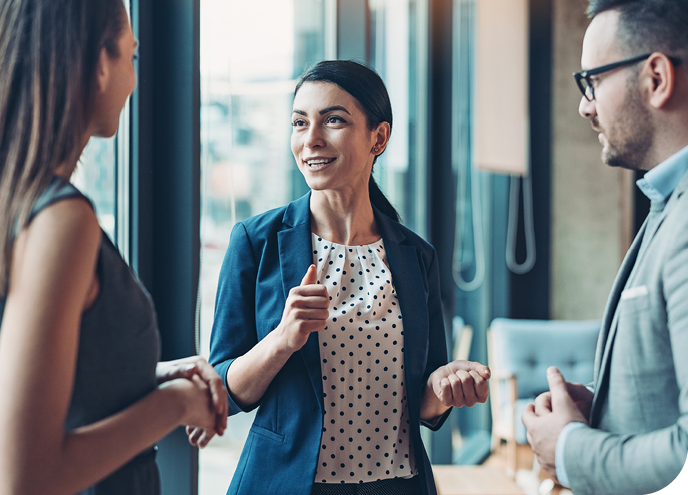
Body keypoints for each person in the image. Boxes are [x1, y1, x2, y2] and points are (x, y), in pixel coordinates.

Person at [203, 60, 490, 495]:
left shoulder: (417, 256)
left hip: (398, 485)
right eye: (300, 123)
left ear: (379, 137)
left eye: (333, 120)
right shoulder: (255, 242)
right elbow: (224, 392)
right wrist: (283, 338)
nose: (311, 139)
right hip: (289, 484)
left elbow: (425, 401)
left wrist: (448, 387)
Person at [0, 1, 228, 494]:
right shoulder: (63, 221)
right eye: (132, 57)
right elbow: (27, 477)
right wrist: (177, 403)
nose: (133, 80)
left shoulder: (20, 201)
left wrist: (151, 376)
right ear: (100, 64)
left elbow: (38, 388)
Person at [521, 1, 688, 494]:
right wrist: (606, 407)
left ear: (656, 78)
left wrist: (569, 448)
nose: (584, 105)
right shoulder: (666, 203)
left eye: (592, 80)